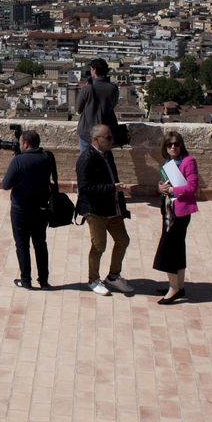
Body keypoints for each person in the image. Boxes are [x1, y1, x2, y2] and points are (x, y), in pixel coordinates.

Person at [75, 123, 134, 295]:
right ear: (95, 140)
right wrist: (112, 188)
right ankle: (93, 280)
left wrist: (118, 192)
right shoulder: (86, 159)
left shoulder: (108, 155)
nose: (111, 140)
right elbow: (85, 189)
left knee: (123, 240)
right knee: (99, 246)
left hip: (112, 209)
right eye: (108, 138)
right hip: (95, 211)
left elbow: (112, 179)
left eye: (111, 137)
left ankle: (113, 276)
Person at [0, 130, 56, 289]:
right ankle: (43, 280)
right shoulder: (47, 157)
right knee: (40, 244)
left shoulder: (18, 161)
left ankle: (26, 280)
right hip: (41, 208)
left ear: (25, 144)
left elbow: (6, 185)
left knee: (22, 245)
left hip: (21, 210)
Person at [154, 132, 200, 305]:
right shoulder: (168, 163)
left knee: (169, 249)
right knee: (178, 247)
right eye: (169, 144)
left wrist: (174, 191)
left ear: (181, 146)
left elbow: (192, 186)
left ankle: (173, 289)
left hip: (180, 213)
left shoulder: (188, 161)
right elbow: (164, 184)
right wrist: (160, 188)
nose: (173, 147)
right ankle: (179, 286)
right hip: (168, 210)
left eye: (176, 144)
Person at [75, 58, 120, 154]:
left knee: (85, 160)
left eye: (91, 69)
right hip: (105, 131)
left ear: (94, 70)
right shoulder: (113, 89)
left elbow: (78, 109)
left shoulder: (87, 89)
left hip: (87, 131)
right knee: (103, 161)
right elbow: (113, 105)